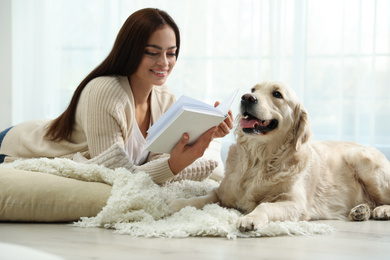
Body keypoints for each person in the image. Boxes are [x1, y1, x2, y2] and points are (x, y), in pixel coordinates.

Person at [0, 8, 233, 184]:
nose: (164, 63)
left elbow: (156, 163)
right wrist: (174, 165)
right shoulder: (105, 91)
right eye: (152, 53)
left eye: (171, 53)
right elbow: (114, 175)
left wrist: (206, 135)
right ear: (130, 51)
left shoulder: (165, 98)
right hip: (18, 146)